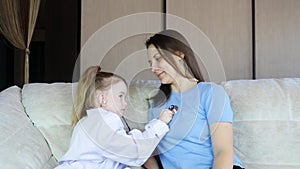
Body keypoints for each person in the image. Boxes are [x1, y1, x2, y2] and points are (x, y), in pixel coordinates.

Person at [143, 29, 244, 169]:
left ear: (179, 55)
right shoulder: (157, 105)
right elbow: (149, 153)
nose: (153, 68)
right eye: (150, 62)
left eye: (158, 58)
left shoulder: (211, 93)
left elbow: (223, 151)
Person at [55, 66, 175, 169]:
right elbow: (134, 153)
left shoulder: (86, 121)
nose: (125, 103)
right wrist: (160, 123)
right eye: (120, 96)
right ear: (102, 98)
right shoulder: (106, 120)